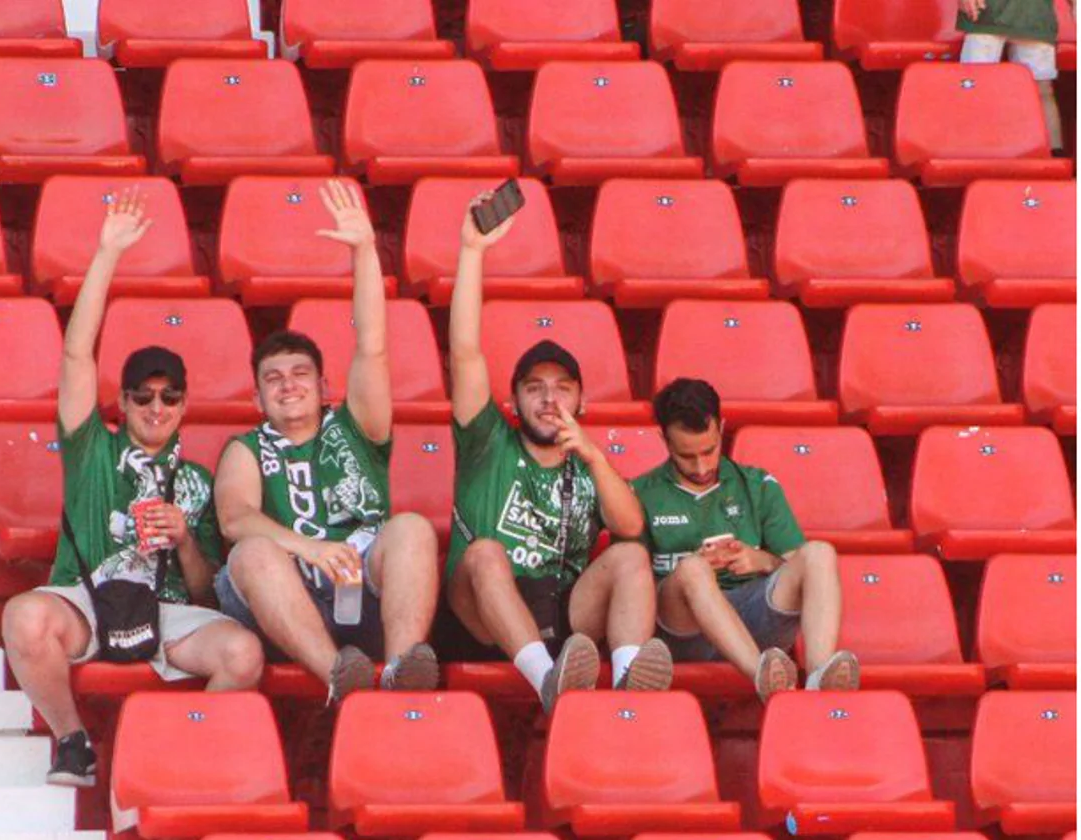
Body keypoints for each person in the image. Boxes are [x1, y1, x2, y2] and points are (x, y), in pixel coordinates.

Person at [2, 187, 264, 788]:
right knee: (24, 617)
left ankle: (174, 755)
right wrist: (107, 256)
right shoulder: (95, 448)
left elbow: (207, 589)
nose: (156, 406)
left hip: (167, 610)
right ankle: (72, 741)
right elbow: (74, 356)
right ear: (121, 403)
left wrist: (186, 540)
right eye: (142, 395)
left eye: (169, 396)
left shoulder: (200, 477)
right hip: (91, 600)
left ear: (185, 404)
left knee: (243, 654)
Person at [444, 192, 673, 714]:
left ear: (581, 399)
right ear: (513, 400)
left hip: (562, 614)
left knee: (632, 558)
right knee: (485, 552)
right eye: (535, 388)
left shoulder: (589, 460)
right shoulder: (487, 440)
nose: (549, 400)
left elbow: (633, 529)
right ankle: (549, 683)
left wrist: (593, 456)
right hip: (480, 610)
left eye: (563, 388)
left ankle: (629, 688)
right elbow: (464, 351)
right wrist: (472, 252)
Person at [214, 179, 440, 702]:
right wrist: (310, 549)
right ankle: (337, 676)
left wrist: (365, 251)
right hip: (283, 599)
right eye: (274, 378)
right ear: (257, 398)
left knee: (410, 527)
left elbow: (372, 344)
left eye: (299, 374)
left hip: (361, 585)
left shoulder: (355, 426)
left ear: (323, 387)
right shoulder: (246, 446)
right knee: (250, 552)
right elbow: (234, 518)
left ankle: (403, 672)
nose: (288, 384)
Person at [632, 378, 859, 700]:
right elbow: (629, 586)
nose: (701, 466)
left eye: (709, 451)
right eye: (686, 456)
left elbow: (799, 567)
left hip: (753, 618)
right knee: (693, 570)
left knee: (819, 553)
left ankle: (819, 677)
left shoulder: (757, 484)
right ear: (663, 440)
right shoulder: (640, 493)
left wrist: (761, 560)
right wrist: (689, 568)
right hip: (683, 630)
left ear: (722, 429)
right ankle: (763, 679)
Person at [958, 0, 1075, 155]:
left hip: (1033, 19)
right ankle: (966, 148)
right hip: (985, 16)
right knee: (974, 89)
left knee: (1041, 91)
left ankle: (1054, 154)